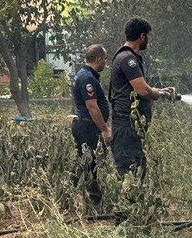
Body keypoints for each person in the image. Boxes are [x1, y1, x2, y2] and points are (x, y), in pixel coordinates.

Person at [109, 18, 176, 177]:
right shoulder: (128, 59)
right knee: (131, 173)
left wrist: (162, 90)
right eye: (147, 36)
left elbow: (137, 87)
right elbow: (143, 91)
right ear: (142, 36)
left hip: (129, 126)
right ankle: (128, 203)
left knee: (137, 170)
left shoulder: (125, 57)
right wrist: (159, 94)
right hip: (127, 126)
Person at [71, 45, 112, 208]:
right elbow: (92, 107)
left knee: (86, 162)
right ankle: (94, 203)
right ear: (99, 59)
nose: (105, 63)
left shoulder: (86, 75)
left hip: (87, 126)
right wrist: (104, 129)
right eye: (105, 59)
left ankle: (89, 200)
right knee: (88, 162)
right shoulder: (87, 78)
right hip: (86, 127)